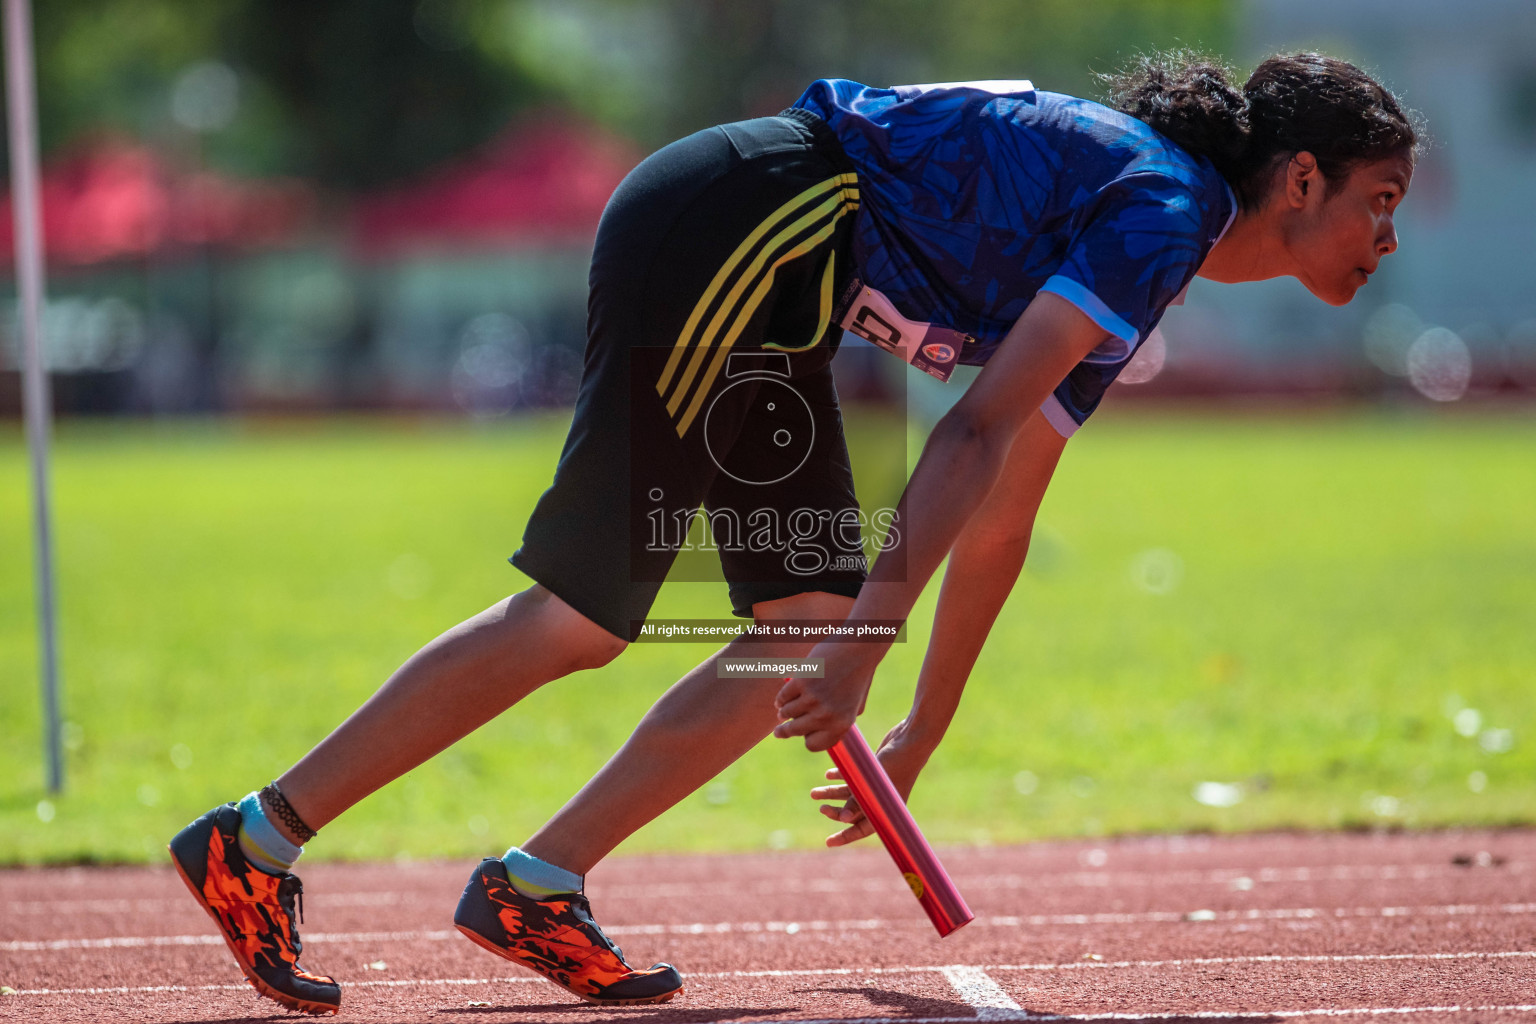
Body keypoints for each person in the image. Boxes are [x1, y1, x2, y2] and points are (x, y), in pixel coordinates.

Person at [168, 50, 1420, 1015]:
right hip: (743, 217)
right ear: (1299, 179)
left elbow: (1001, 508)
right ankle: (253, 837)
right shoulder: (1161, 208)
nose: (1389, 235)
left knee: (801, 628)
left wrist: (921, 724)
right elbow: (967, 439)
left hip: (780, 269)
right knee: (587, 614)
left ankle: (534, 886)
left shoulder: (1159, 231)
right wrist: (877, 646)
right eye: (1380, 199)